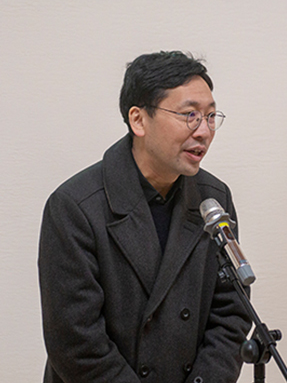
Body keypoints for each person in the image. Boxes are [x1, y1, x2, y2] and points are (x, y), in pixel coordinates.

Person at [38, 51, 252, 383]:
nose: (204, 131)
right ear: (138, 120)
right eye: (190, 115)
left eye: (211, 116)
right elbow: (76, 344)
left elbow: (231, 312)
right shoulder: (75, 207)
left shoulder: (213, 198)